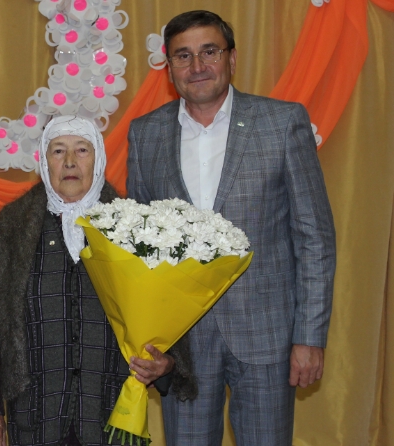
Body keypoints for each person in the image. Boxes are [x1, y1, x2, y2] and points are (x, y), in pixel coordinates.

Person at [126, 10, 337, 446]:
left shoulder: (281, 123)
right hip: (182, 346)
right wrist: (149, 338)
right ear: (169, 67)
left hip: (268, 336)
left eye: (209, 52)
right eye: (183, 55)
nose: (197, 66)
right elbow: (140, 249)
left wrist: (309, 336)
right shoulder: (145, 134)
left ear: (232, 59)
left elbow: (314, 237)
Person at [0, 115, 197, 446]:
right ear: (45, 161)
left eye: (82, 150)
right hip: (35, 416)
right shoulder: (12, 227)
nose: (70, 161)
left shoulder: (135, 227)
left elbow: (164, 312)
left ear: (98, 159)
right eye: (59, 151)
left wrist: (167, 362)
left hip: (112, 414)